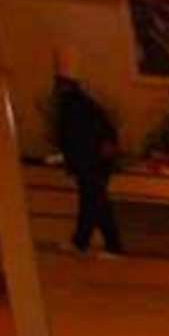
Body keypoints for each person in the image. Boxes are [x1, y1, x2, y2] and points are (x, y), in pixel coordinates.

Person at [52, 49, 122, 255]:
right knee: (92, 203)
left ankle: (111, 245)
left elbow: (74, 136)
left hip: (90, 162)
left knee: (96, 203)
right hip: (91, 161)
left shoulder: (74, 106)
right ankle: (82, 242)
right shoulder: (83, 104)